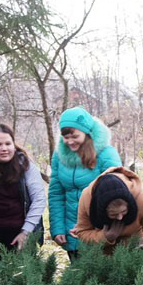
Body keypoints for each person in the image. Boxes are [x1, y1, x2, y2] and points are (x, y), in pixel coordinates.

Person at [48, 107, 122, 260]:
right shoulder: (58, 156)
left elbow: (116, 195)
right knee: (78, 279)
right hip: (70, 232)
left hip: (98, 231)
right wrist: (58, 228)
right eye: (65, 137)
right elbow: (56, 193)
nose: (69, 141)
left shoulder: (106, 154)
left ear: (87, 133)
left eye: (74, 136)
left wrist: (105, 231)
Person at [0, 123, 47, 251]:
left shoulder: (25, 165)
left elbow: (39, 199)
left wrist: (26, 232)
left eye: (8, 143)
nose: (4, 148)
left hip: (22, 232)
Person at [71, 166, 143, 252]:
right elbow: (82, 232)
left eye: (123, 211)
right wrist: (105, 237)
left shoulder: (142, 197)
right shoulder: (87, 198)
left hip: (136, 251)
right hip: (102, 257)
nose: (120, 218)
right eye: (113, 214)